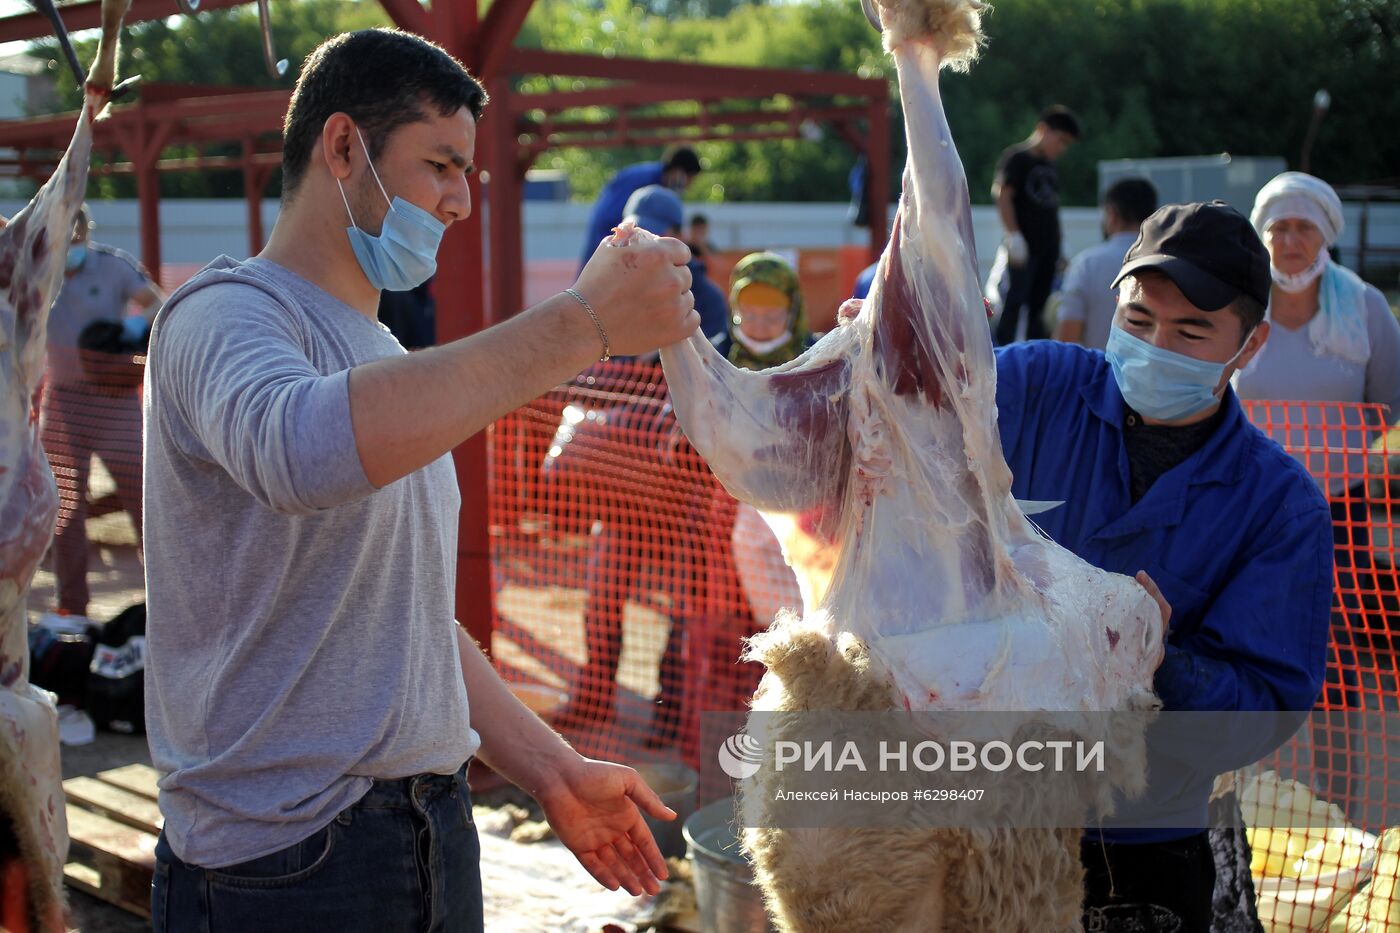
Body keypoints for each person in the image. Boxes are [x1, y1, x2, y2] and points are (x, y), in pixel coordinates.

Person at [143, 29, 696, 931]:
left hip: (431, 831)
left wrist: (552, 769)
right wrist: (584, 324)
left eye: (469, 173)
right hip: (283, 859)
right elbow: (298, 452)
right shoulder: (222, 314)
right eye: (440, 164)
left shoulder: (384, 352)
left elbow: (402, 615)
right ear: (342, 146)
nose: (461, 200)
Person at [993, 201, 1333, 931]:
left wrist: (1160, 663)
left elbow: (1264, 707)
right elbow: (922, 405)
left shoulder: (1282, 508)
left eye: (1191, 332)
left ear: (1250, 344)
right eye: (1139, 320)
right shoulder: (1036, 386)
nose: (1154, 346)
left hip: (1144, 835)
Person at [1234, 171, 1400, 811]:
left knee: (1335, 655)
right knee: (1240, 646)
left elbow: (1387, 400)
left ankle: (1339, 802)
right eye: (1278, 227)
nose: (1290, 240)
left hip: (1340, 508)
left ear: (1325, 234)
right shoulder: (1239, 305)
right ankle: (1234, 802)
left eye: (1304, 227)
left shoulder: (1365, 309)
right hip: (1249, 506)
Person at [554, 183, 726, 748]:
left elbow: (713, 384)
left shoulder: (706, 297)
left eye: (651, 231)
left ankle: (670, 714)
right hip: (621, 481)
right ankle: (596, 696)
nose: (638, 242)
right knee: (603, 590)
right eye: (634, 230)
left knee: (686, 601)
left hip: (683, 486)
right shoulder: (604, 293)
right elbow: (586, 374)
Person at [40, 204, 162, 623]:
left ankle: (162, 598)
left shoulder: (112, 267)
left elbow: (156, 303)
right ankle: (71, 604)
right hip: (64, 400)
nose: (70, 244)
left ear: (84, 232)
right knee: (62, 505)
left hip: (113, 398)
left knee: (144, 492)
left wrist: (132, 327)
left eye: (76, 235)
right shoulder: (39, 270)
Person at [992, 104, 1079, 345]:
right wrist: (1014, 235)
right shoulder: (1017, 158)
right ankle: (1001, 359)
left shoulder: (1051, 166)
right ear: (1043, 129)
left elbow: (1051, 208)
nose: (1061, 148)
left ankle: (1036, 361)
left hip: (1047, 247)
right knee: (1014, 303)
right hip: (1024, 246)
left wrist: (1060, 245)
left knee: (1040, 308)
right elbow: (1002, 195)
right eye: (1060, 140)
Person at [1052, 177, 1158, 349]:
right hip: (1156, 374)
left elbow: (1066, 340)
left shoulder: (1086, 265)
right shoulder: (1169, 265)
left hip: (1099, 372)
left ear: (1112, 213)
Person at [578, 144, 702, 272]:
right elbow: (612, 218)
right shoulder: (644, 181)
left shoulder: (654, 181)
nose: (688, 186)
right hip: (606, 238)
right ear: (678, 172)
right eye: (689, 180)